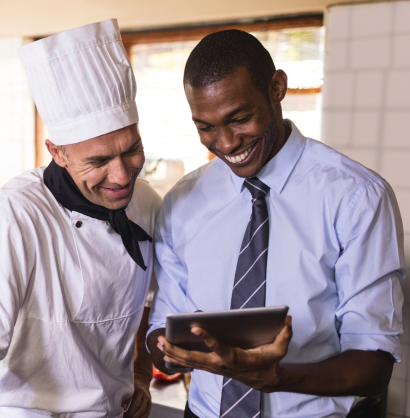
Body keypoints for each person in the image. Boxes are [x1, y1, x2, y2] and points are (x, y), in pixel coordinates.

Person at [147, 29, 405, 418]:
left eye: (240, 118)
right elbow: (163, 323)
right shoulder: (183, 202)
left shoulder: (357, 196)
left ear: (277, 88)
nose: (227, 143)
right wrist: (169, 352)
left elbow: (374, 363)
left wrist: (276, 377)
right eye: (206, 127)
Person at [0, 19, 162, 418]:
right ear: (57, 151)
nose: (122, 176)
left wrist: (141, 374)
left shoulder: (145, 203)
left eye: (131, 149)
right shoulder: (13, 217)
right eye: (99, 161)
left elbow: (145, 304)